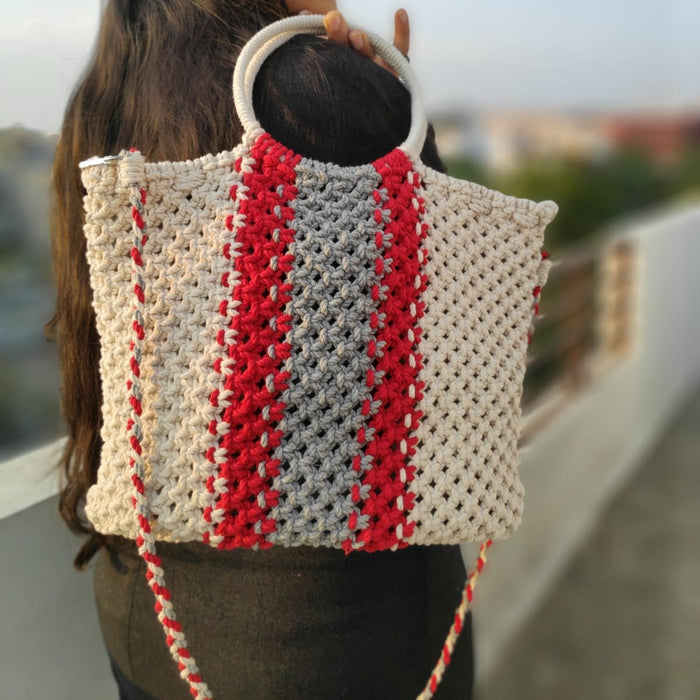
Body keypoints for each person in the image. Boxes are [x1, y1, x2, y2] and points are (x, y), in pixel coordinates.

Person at [47, 1, 474, 698]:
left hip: (145, 594)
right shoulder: (312, 83)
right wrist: (392, 102)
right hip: (342, 614)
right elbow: (435, 300)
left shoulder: (104, 96)